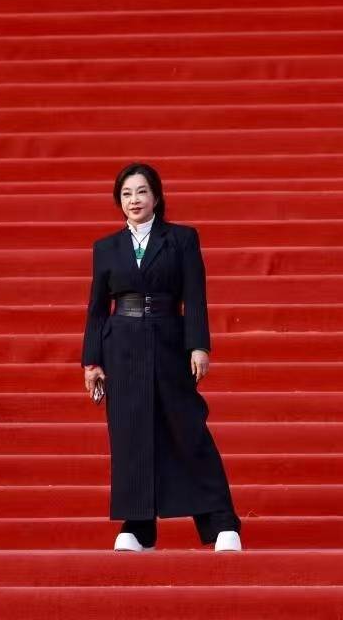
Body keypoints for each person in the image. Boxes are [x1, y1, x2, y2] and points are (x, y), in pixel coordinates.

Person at [81, 162, 243, 552]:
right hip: (122, 347)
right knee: (131, 435)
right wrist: (91, 361)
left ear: (156, 196)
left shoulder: (181, 239)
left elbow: (195, 296)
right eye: (126, 194)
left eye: (141, 192)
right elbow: (97, 309)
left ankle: (221, 522)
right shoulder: (106, 248)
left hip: (169, 341)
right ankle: (138, 527)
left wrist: (199, 345)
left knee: (187, 428)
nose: (134, 200)